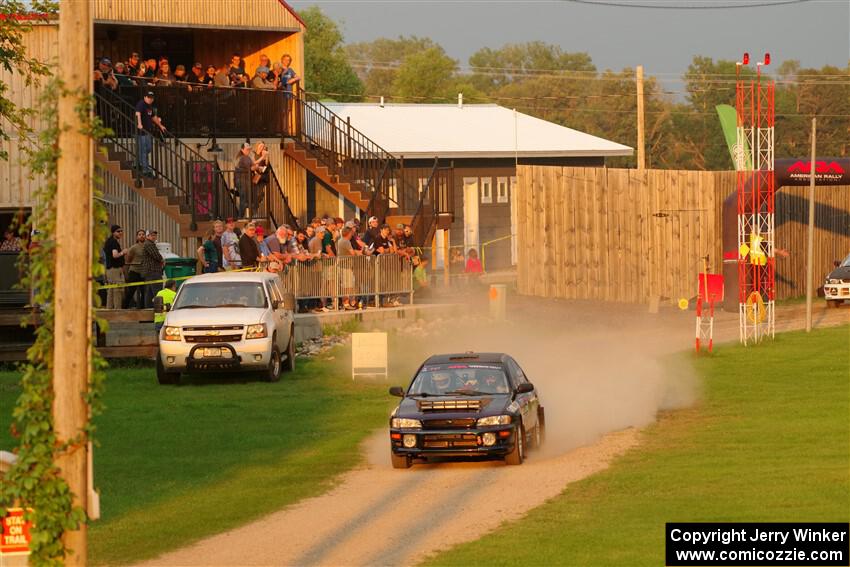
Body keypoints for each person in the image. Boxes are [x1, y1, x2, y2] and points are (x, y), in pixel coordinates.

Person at [135, 91, 166, 178]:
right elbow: (137, 113)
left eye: (151, 98)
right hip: (141, 132)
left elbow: (153, 117)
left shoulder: (149, 107)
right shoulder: (141, 104)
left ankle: (138, 162)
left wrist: (160, 125)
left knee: (148, 148)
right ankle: (145, 169)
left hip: (148, 131)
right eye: (148, 97)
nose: (150, 99)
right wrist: (139, 124)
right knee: (144, 150)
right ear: (145, 97)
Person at [103, 224, 128, 309]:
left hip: (110, 269)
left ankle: (109, 310)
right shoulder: (113, 242)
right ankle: (118, 310)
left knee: (111, 290)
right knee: (118, 290)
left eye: (121, 231)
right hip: (114, 269)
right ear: (113, 233)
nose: (120, 233)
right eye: (118, 231)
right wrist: (123, 252)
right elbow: (115, 255)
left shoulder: (109, 241)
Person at [122, 229, 147, 308]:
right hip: (134, 271)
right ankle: (124, 307)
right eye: (139, 234)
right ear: (137, 237)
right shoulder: (134, 248)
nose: (141, 236)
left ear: (145, 236)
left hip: (144, 272)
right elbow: (128, 259)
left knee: (144, 292)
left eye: (143, 234)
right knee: (131, 291)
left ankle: (143, 309)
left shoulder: (148, 246)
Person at [140, 229, 164, 309]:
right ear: (147, 236)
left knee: (149, 293)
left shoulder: (149, 244)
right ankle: (158, 311)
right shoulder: (149, 244)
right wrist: (162, 260)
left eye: (155, 235)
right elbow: (156, 255)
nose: (154, 237)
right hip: (153, 272)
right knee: (157, 293)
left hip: (149, 272)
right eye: (152, 235)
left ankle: (148, 312)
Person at [235, 142, 257, 218]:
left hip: (242, 181)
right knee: (244, 199)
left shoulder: (245, 157)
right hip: (242, 181)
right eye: (247, 149)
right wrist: (257, 167)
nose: (248, 151)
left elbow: (253, 165)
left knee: (245, 199)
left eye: (249, 149)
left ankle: (242, 216)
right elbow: (251, 168)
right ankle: (241, 217)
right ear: (242, 149)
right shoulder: (243, 157)